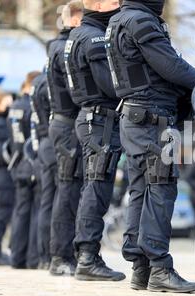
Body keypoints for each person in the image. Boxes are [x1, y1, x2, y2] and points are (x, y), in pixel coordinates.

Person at [106, 0, 195, 292]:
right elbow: (170, 65)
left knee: (142, 190)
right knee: (161, 187)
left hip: (138, 117)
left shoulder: (120, 20)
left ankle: (141, 268)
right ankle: (159, 267)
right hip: (151, 119)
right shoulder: (141, 21)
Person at [65, 0, 125, 281]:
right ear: (98, 5)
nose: (119, 5)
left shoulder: (77, 34)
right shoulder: (93, 38)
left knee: (93, 186)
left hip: (90, 117)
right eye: (114, 1)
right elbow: (111, 86)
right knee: (97, 189)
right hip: (100, 120)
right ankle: (88, 257)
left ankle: (86, 256)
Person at [47, 0, 83, 277]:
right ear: (75, 19)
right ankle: (60, 256)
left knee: (68, 188)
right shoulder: (66, 49)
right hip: (68, 124)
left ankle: (64, 253)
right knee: (69, 189)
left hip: (64, 124)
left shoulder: (57, 46)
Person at [7, 71, 42, 269]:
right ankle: (32, 258)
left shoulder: (13, 107)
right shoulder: (32, 106)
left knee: (20, 212)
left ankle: (16, 257)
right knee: (36, 210)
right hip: (33, 163)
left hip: (18, 163)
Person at [30, 73, 56, 270]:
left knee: (46, 202)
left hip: (43, 142)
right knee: (55, 200)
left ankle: (43, 256)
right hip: (52, 140)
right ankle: (48, 255)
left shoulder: (37, 82)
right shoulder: (48, 80)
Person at [0, 89, 15, 265]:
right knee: (1, 212)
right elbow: (2, 153)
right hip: (1, 173)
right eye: (8, 102)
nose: (11, 105)